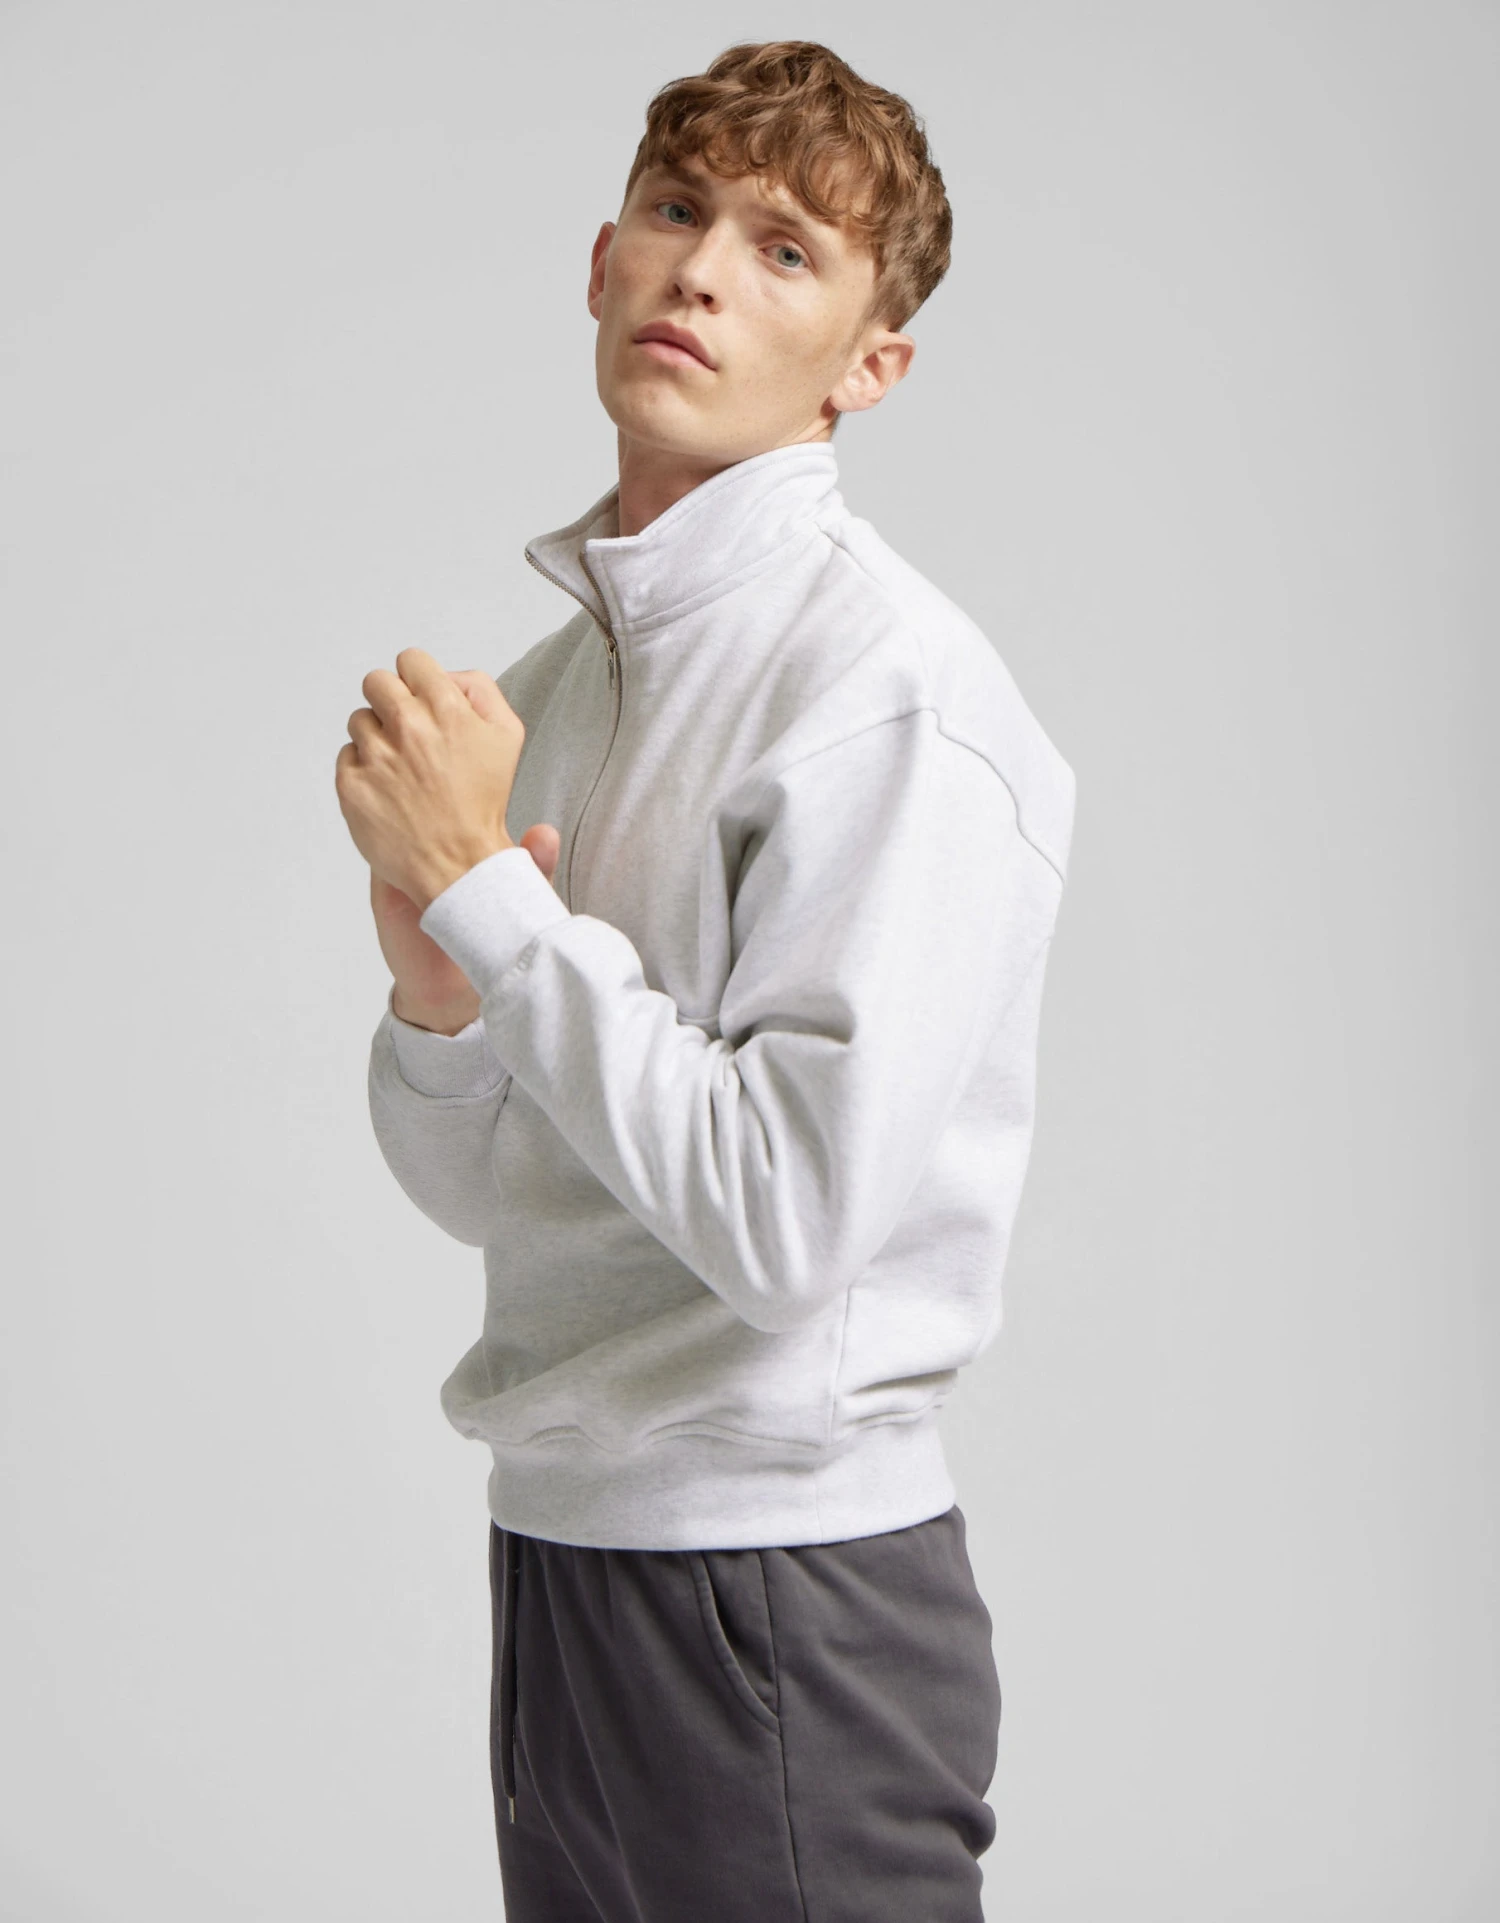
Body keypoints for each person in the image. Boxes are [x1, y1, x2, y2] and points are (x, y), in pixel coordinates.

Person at [342, 37, 1076, 1923]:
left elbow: (784, 1221)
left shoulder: (889, 690)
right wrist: (442, 995)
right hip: (562, 1563)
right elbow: (501, 1198)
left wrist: (499, 912)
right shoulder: (551, 689)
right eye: (678, 211)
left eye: (785, 249)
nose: (702, 273)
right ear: (601, 261)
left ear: (868, 366)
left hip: (784, 1596)